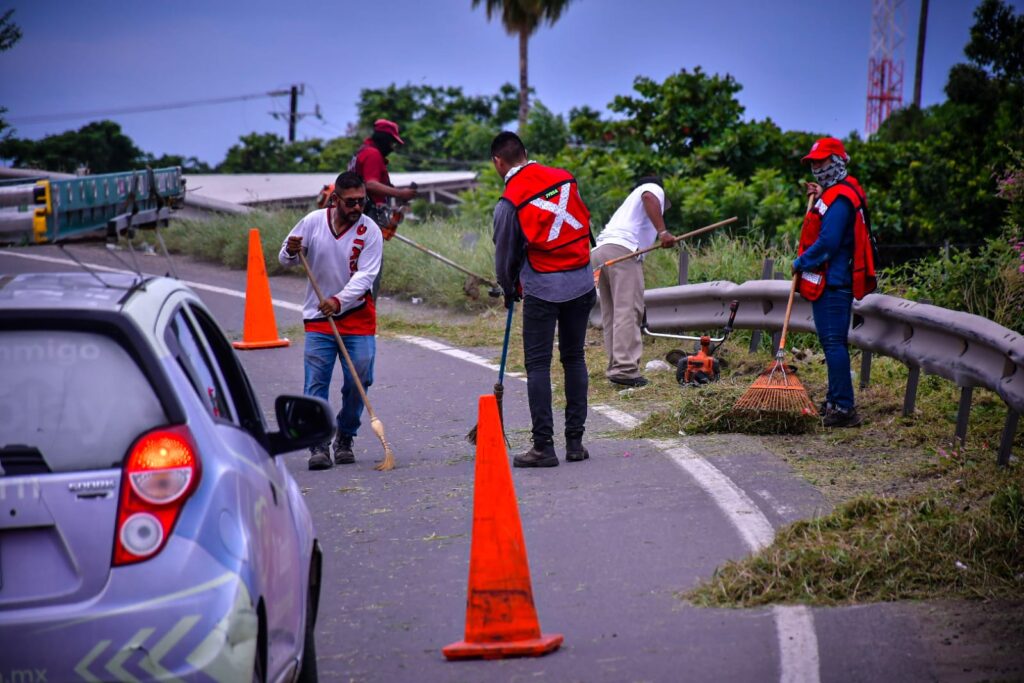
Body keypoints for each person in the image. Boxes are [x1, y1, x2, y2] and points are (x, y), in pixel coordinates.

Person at [490, 131, 596, 468]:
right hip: (581, 281)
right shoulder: (564, 177)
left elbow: (504, 252)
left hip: (543, 287)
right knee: (574, 357)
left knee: (538, 365)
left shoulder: (510, 200)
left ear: (498, 162)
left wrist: (507, 289)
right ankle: (576, 443)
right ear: (525, 152)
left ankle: (544, 447)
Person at [279, 171, 383, 470]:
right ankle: (319, 443)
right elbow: (285, 258)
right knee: (316, 382)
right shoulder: (312, 222)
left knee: (360, 378)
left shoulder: (370, 231)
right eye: (350, 202)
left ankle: (345, 435)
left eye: (361, 201)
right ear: (335, 199)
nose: (357, 208)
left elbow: (366, 276)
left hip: (357, 316)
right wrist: (291, 249)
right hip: (318, 317)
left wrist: (338, 301)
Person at [793, 137, 878, 428]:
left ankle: (843, 407)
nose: (817, 168)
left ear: (838, 161)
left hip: (834, 282)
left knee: (833, 344)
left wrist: (800, 262)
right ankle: (835, 400)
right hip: (832, 280)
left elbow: (828, 243)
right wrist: (821, 193)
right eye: (814, 163)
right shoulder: (836, 192)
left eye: (822, 161)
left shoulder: (840, 198)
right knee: (833, 343)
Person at [591, 176, 676, 387]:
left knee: (612, 313)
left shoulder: (627, 206)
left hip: (601, 251)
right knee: (629, 310)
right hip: (623, 251)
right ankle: (626, 370)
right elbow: (650, 196)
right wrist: (663, 232)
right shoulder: (651, 188)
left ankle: (617, 367)